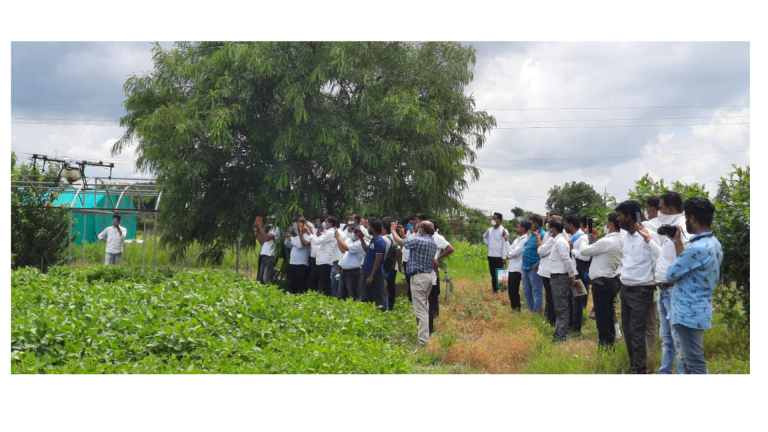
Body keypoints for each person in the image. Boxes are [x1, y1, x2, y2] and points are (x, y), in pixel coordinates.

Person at [666, 197, 723, 374]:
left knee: (694, 363)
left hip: (686, 313)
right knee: (687, 360)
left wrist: (678, 243)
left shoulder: (696, 248)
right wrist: (678, 243)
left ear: (692, 219)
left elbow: (671, 274)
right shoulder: (714, 243)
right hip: (699, 308)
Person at [616, 200, 661, 374]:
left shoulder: (648, 235)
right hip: (626, 289)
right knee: (628, 331)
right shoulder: (627, 237)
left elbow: (661, 257)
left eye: (620, 216)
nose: (618, 219)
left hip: (642, 291)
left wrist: (648, 239)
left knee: (636, 331)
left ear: (629, 216)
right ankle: (634, 366)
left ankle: (640, 369)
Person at [653, 191, 688, 374]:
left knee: (678, 339)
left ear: (670, 208)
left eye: (660, 208)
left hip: (674, 289)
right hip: (664, 289)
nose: (658, 212)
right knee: (667, 338)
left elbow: (684, 259)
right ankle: (665, 372)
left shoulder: (682, 228)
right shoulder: (671, 228)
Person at [580, 213, 624, 348]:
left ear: (610, 224)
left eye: (606, 223)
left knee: (602, 318)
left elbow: (584, 251)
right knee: (609, 315)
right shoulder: (623, 238)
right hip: (612, 281)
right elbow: (600, 252)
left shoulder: (607, 241)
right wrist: (595, 240)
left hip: (602, 284)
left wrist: (585, 237)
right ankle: (610, 346)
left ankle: (604, 347)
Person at [391, 220, 438, 346]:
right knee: (425, 308)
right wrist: (403, 233)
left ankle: (423, 341)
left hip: (418, 278)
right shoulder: (431, 242)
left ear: (422, 230)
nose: (416, 228)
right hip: (427, 277)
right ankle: (425, 336)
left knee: (421, 311)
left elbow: (401, 242)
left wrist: (393, 231)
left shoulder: (419, 240)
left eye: (418, 227)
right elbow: (409, 243)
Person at [547, 218, 577, 341]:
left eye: (549, 228)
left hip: (560, 278)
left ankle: (561, 336)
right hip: (556, 278)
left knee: (562, 308)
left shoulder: (560, 242)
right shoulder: (557, 241)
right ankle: (558, 334)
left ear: (553, 229)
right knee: (559, 308)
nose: (548, 231)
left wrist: (571, 276)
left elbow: (567, 260)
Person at [642, 196, 662, 355]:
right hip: (664, 277)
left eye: (647, 208)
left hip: (650, 279)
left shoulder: (648, 227)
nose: (646, 212)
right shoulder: (673, 225)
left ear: (653, 209)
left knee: (649, 318)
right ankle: (655, 348)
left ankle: (651, 350)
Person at [428, 219, 455, 333]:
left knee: (433, 294)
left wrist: (438, 258)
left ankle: (435, 315)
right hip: (426, 271)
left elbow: (450, 248)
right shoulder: (425, 237)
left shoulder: (437, 238)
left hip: (433, 270)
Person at [565, 215, 590, 335]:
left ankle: (576, 328)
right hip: (571, 273)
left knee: (577, 302)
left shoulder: (582, 238)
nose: (565, 227)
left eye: (566, 225)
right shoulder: (570, 236)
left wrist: (572, 250)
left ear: (571, 225)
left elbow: (586, 256)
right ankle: (570, 324)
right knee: (570, 300)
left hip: (578, 274)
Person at [360, 219, 387, 311]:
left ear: (374, 229)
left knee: (377, 297)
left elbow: (378, 260)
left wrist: (371, 276)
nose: (369, 229)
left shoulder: (380, 241)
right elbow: (367, 250)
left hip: (375, 275)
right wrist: (361, 239)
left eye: (370, 227)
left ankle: (382, 315)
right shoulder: (373, 240)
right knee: (366, 296)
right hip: (366, 272)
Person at [334, 222, 365, 300]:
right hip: (344, 271)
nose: (352, 234)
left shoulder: (361, 243)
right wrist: (337, 239)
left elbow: (345, 248)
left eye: (355, 232)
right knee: (340, 295)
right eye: (352, 232)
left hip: (353, 272)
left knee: (353, 295)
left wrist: (338, 238)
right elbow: (342, 250)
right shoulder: (349, 240)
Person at [308, 216, 338, 296]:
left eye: (325, 221)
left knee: (325, 283)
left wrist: (310, 234)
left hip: (325, 261)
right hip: (321, 260)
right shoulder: (327, 232)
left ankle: (328, 298)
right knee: (323, 282)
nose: (323, 223)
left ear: (330, 224)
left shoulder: (330, 233)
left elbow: (317, 241)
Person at [522, 215, 546, 313]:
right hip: (525, 267)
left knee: (536, 292)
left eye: (531, 223)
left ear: (536, 224)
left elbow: (544, 252)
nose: (529, 226)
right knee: (527, 292)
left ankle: (537, 313)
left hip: (534, 268)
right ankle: (530, 311)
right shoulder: (531, 234)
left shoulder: (543, 235)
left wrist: (537, 265)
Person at [505, 221, 530, 311]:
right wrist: (507, 241)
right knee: (511, 290)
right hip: (512, 267)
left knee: (514, 290)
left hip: (518, 268)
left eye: (518, 227)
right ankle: (514, 308)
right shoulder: (517, 239)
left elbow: (515, 252)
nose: (516, 229)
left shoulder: (524, 240)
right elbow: (510, 250)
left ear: (523, 228)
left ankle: (517, 308)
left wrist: (509, 255)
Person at [483, 212, 509, 293]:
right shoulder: (490, 230)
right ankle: (495, 290)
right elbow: (484, 237)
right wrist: (488, 243)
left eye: (494, 218)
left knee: (501, 274)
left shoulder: (503, 231)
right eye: (492, 218)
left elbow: (505, 244)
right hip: (490, 255)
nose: (492, 220)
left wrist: (504, 257)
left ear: (499, 220)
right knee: (493, 274)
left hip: (499, 256)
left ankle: (502, 290)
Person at [284, 219, 311, 294]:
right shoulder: (296, 237)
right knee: (293, 282)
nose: (298, 228)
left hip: (301, 264)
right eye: (298, 226)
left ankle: (303, 296)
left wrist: (291, 237)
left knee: (302, 283)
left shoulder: (308, 236)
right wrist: (287, 237)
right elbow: (288, 245)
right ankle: (294, 295)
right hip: (292, 263)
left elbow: (299, 245)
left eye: (300, 226)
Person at [254, 215, 281, 284]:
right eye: (271, 219)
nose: (271, 220)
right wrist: (257, 232)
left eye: (273, 219)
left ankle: (270, 292)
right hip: (265, 255)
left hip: (270, 255)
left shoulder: (276, 228)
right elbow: (262, 242)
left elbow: (267, 238)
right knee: (260, 277)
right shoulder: (270, 229)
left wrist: (260, 227)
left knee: (266, 278)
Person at [307, 215, 324, 292]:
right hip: (313, 258)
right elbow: (306, 223)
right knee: (312, 277)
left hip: (322, 258)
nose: (316, 223)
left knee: (321, 277)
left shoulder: (326, 233)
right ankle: (313, 292)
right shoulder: (314, 229)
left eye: (317, 222)